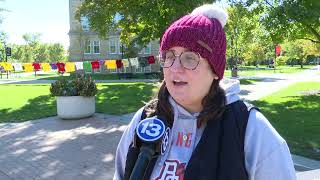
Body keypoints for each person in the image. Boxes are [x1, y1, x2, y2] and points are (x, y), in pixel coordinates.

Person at [113, 3, 296, 180]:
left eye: (190, 58)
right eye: (169, 56)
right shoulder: (145, 119)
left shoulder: (251, 130)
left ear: (215, 71)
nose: (175, 68)